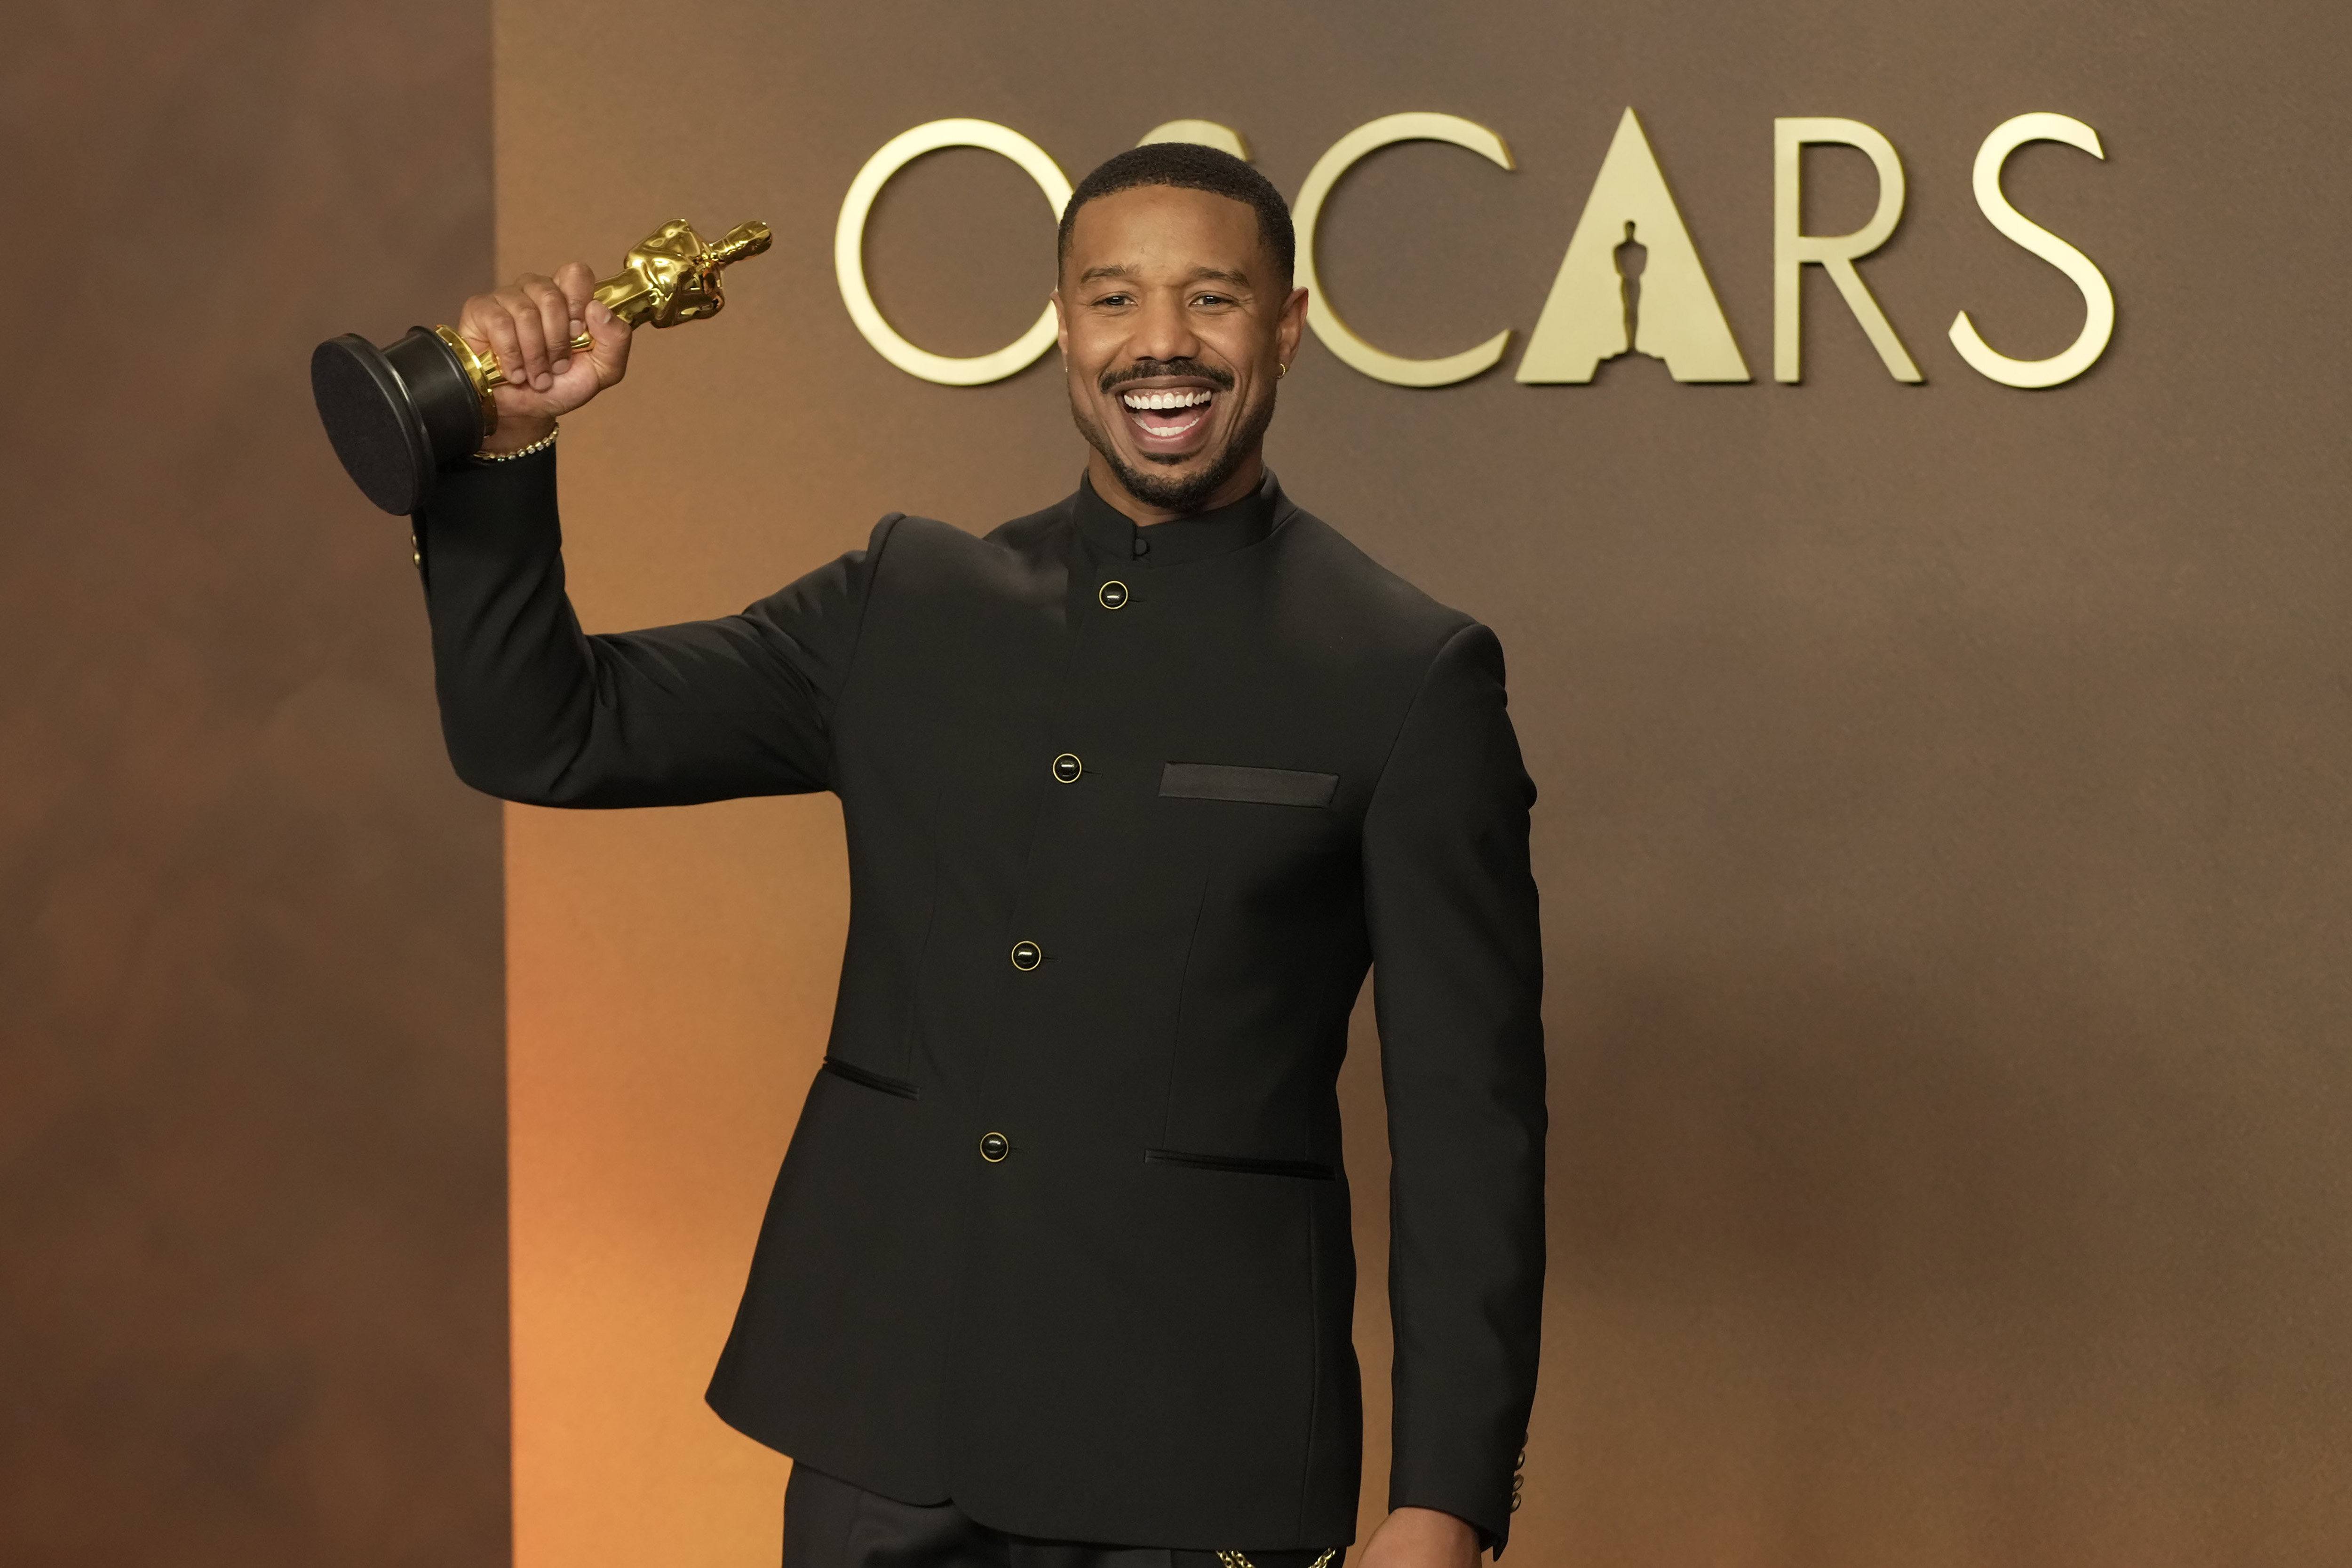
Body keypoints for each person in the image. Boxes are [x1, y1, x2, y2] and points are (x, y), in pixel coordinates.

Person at [416, 143, 1545, 1568]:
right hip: (881, 1437)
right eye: (1114, 299)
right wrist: (506, 452)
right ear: (1063, 327)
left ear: (1288, 328)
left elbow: (1469, 1126)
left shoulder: (1407, 671)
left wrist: (1445, 1500)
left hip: (1196, 1458)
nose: (1161, 343)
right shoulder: (904, 604)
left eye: (1212, 299)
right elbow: (547, 734)